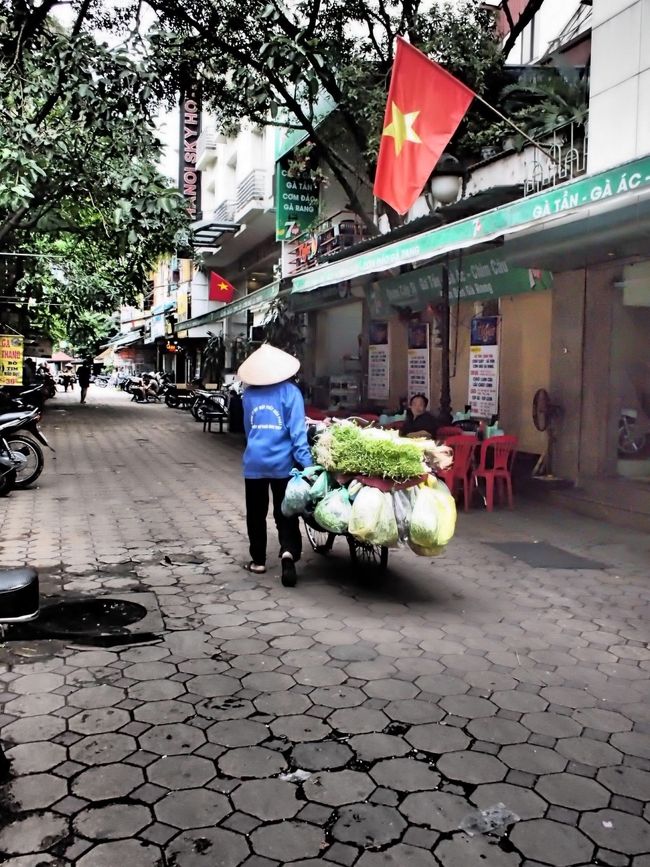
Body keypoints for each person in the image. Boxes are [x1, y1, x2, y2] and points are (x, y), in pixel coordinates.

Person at [238, 344, 312, 587]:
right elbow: (298, 434)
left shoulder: (248, 395)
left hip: (255, 463)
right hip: (283, 465)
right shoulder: (291, 393)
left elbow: (249, 431)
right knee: (286, 511)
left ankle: (258, 561)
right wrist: (309, 465)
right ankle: (288, 552)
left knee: (256, 514)